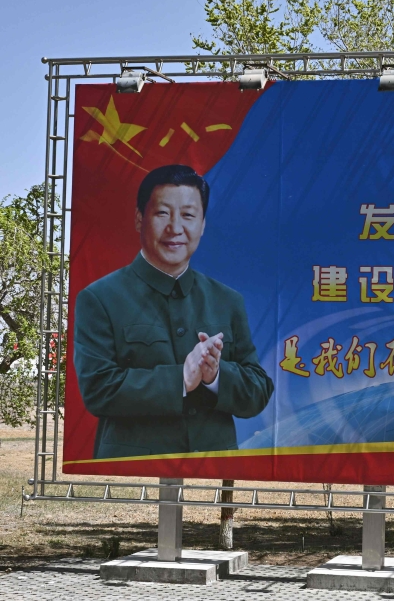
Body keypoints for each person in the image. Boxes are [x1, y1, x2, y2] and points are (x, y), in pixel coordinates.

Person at [74, 164, 274, 459]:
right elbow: (98, 389)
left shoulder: (227, 300)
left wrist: (215, 375)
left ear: (203, 224)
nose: (175, 228)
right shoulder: (100, 298)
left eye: (189, 216)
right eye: (163, 213)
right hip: (131, 475)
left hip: (212, 470)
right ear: (140, 218)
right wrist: (182, 377)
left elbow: (258, 390)